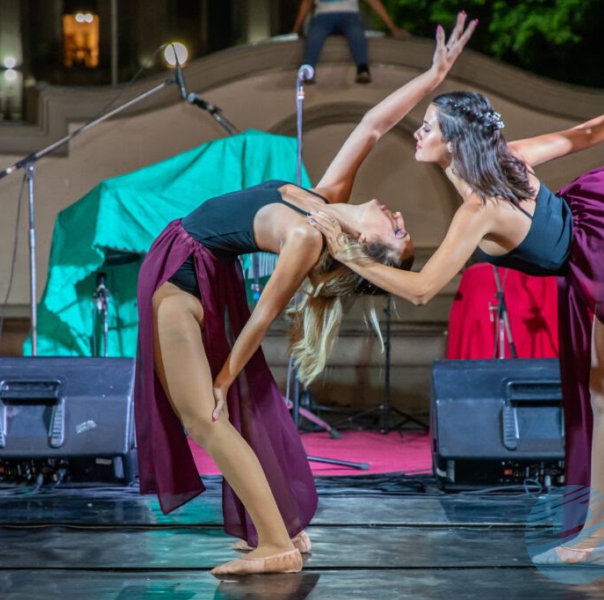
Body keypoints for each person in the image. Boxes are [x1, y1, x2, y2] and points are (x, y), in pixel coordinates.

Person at [310, 20, 604, 567]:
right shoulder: (507, 160)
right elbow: (581, 136)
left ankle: (594, 539)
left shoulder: (479, 208)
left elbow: (420, 290)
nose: (419, 132)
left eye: (430, 126)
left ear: (456, 141)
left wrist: (346, 253)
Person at [134, 15, 475, 577]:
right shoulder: (324, 200)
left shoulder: (307, 235)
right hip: (191, 266)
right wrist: (431, 79)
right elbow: (370, 125)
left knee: (205, 416)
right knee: (216, 416)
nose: (398, 218)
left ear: (367, 247)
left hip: (186, 277)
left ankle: (276, 544)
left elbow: (265, 313)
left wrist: (222, 380)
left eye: (398, 235)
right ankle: (281, 530)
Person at [293, 0, 409, 84]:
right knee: (315, 34)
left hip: (349, 13)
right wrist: (296, 30)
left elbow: (374, 2)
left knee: (356, 32)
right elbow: (307, 3)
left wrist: (392, 28)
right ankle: (308, 68)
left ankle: (362, 68)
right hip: (323, 15)